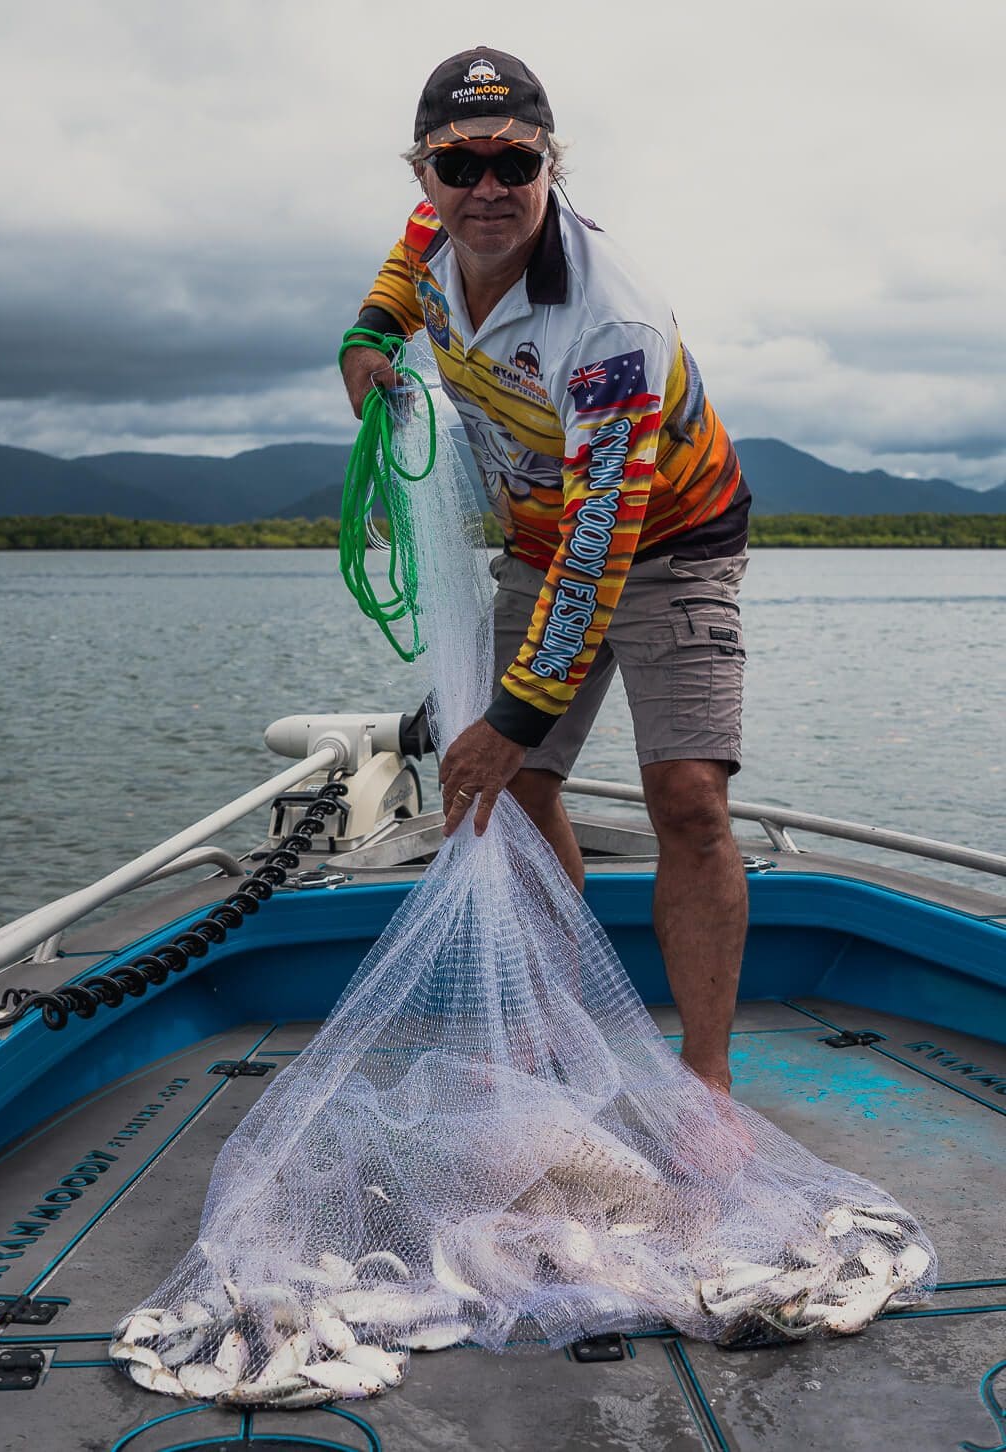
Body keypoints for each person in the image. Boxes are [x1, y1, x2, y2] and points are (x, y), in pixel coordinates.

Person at [340, 48, 752, 1095]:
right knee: (512, 792)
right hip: (537, 534)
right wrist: (371, 334)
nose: (486, 189)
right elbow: (400, 272)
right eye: (458, 164)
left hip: (671, 539)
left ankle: (706, 1077)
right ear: (424, 173)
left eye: (514, 164)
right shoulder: (434, 231)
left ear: (550, 167)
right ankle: (552, 1024)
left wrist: (513, 716)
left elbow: (600, 543)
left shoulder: (610, 322)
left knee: (687, 796)